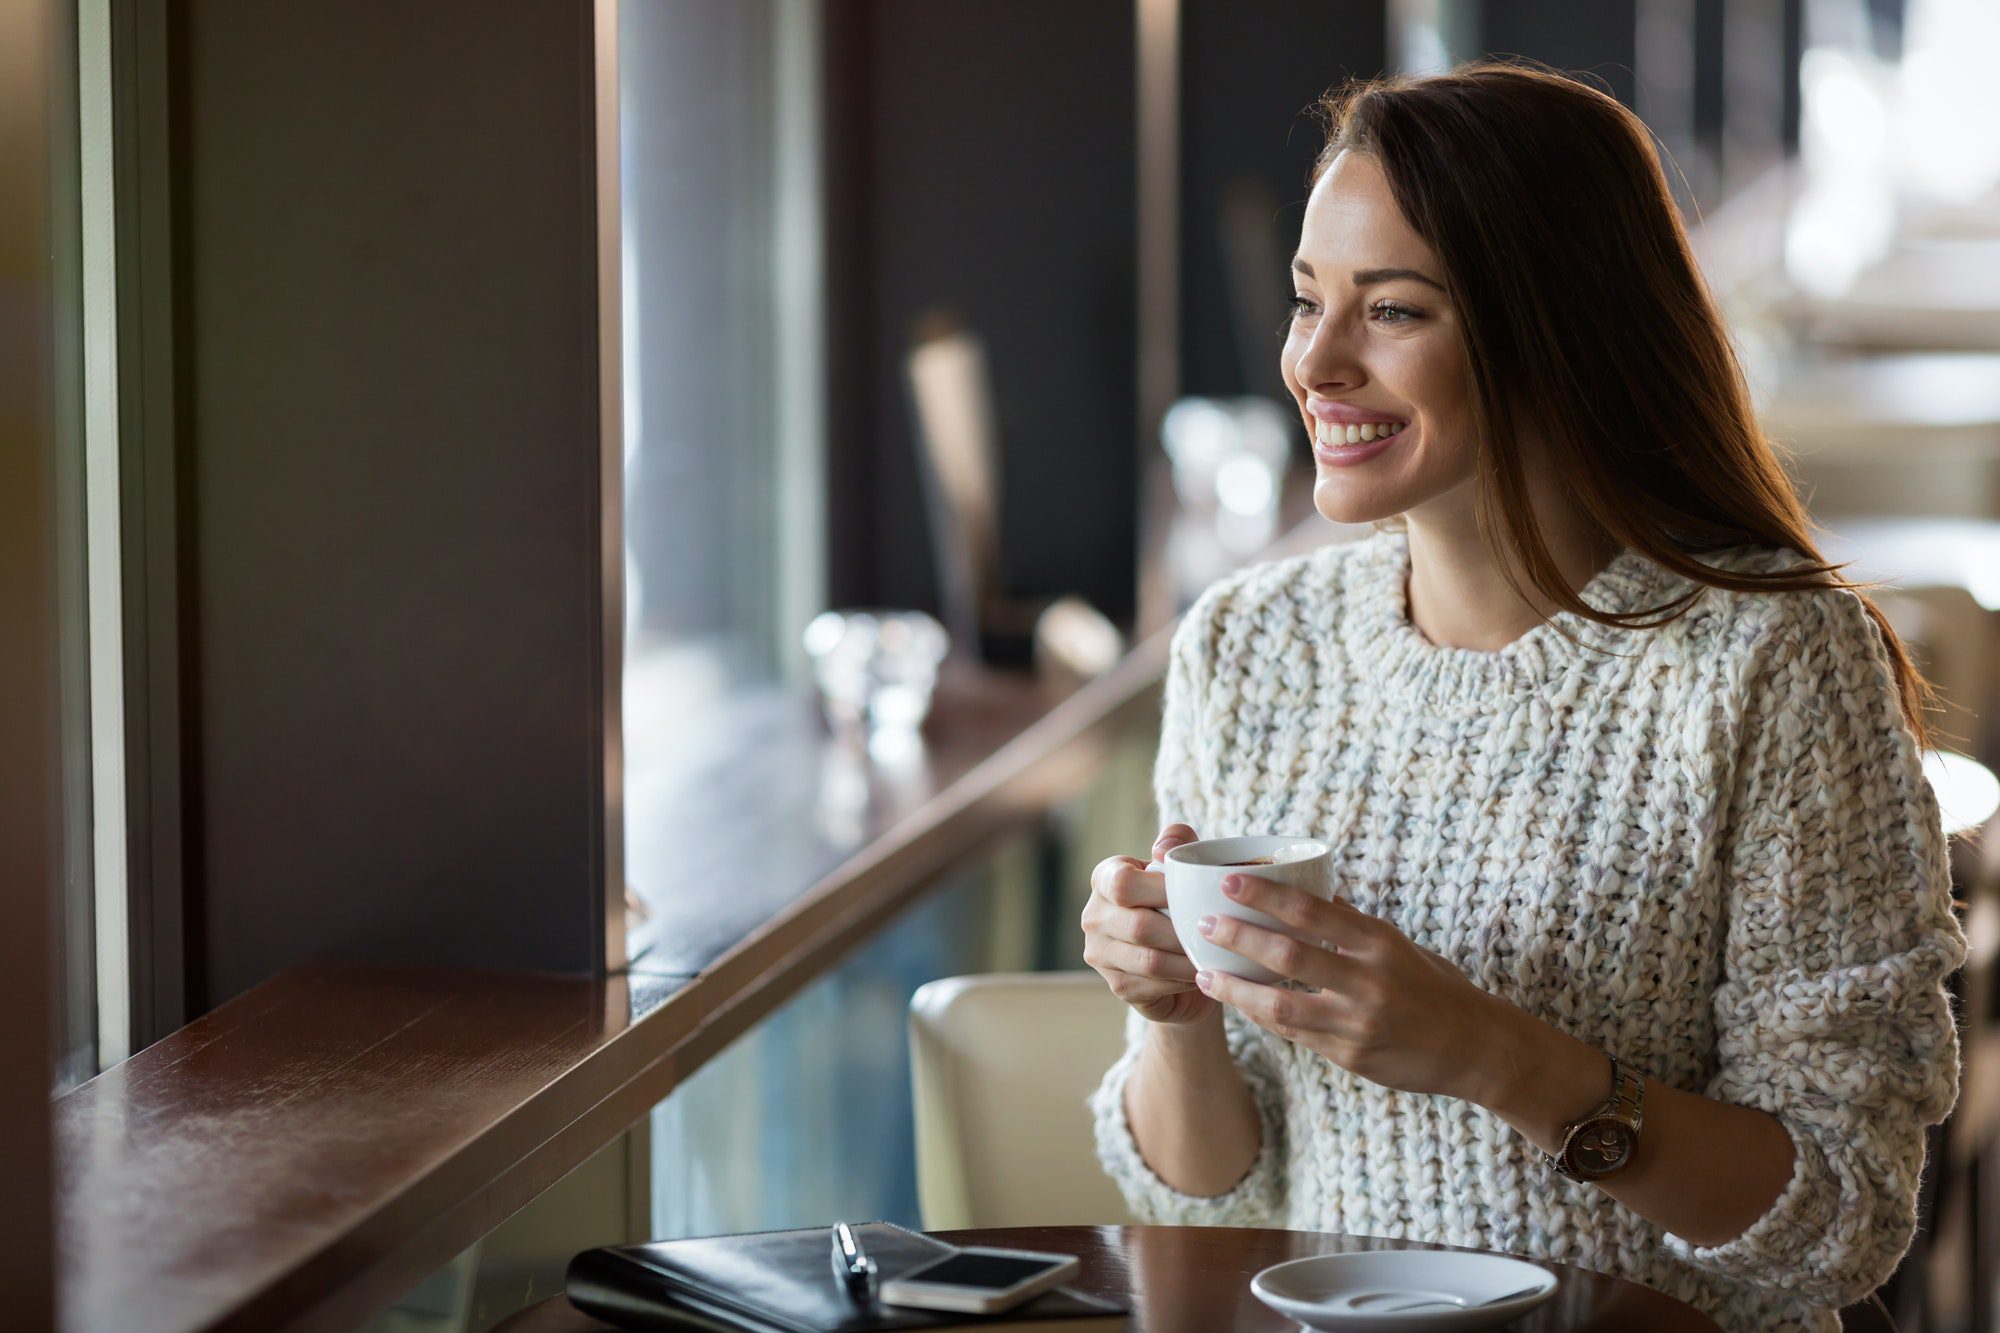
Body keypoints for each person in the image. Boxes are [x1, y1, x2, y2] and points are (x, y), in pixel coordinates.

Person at [1082, 63, 1965, 1333]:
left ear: (1552, 329)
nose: (1313, 364)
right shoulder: (1247, 645)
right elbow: (1216, 1201)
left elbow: (1838, 1218)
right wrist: (1170, 1017)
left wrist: (1496, 1057)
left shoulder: (1771, 661)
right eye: (1303, 300)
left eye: (1389, 312)